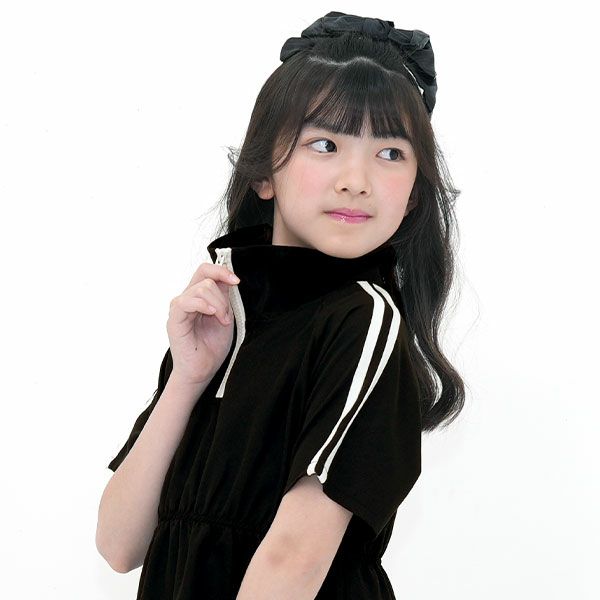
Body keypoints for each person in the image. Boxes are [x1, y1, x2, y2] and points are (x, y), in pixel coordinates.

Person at [96, 10, 465, 599]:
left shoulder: (362, 320)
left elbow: (293, 560)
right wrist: (187, 379)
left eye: (391, 153)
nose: (356, 179)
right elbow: (120, 545)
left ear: (415, 193)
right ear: (263, 171)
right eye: (326, 144)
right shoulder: (224, 315)